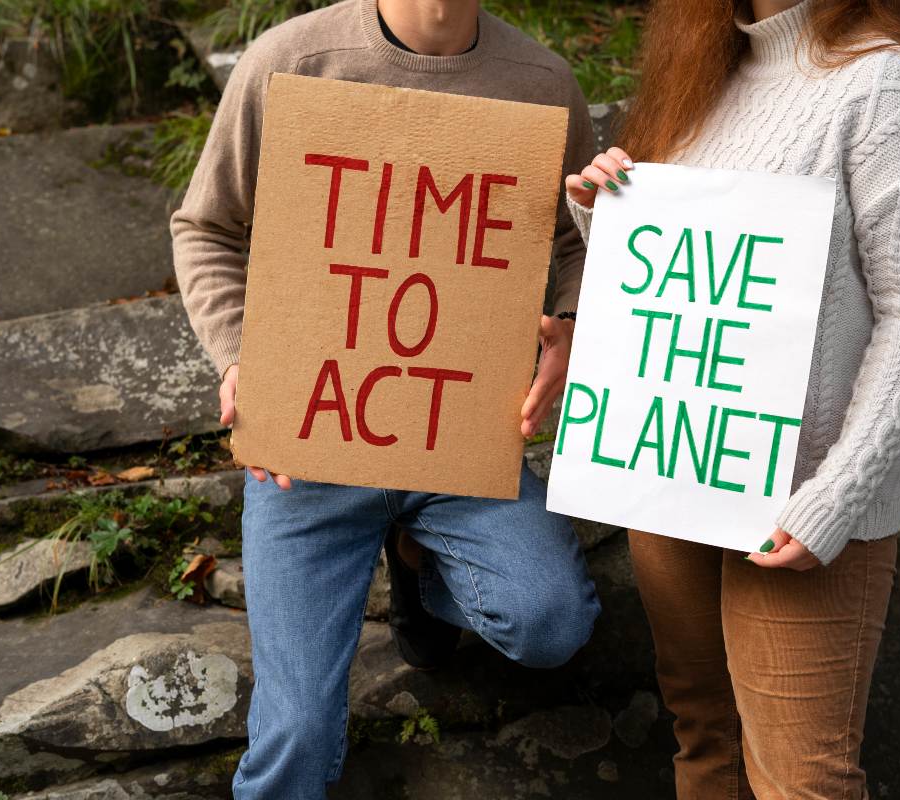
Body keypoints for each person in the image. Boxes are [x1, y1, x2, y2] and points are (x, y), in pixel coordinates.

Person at [170, 0, 600, 796]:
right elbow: (205, 228)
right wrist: (240, 357)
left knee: (552, 622)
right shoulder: (288, 61)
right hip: (309, 447)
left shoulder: (540, 82)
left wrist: (570, 321)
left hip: (459, 442)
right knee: (296, 731)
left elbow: (575, 235)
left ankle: (421, 572)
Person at [567, 0, 900, 796]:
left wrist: (836, 498)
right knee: (703, 739)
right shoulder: (701, 73)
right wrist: (607, 216)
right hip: (674, 480)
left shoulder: (883, 87)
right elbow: (683, 289)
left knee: (799, 783)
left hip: (800, 511)